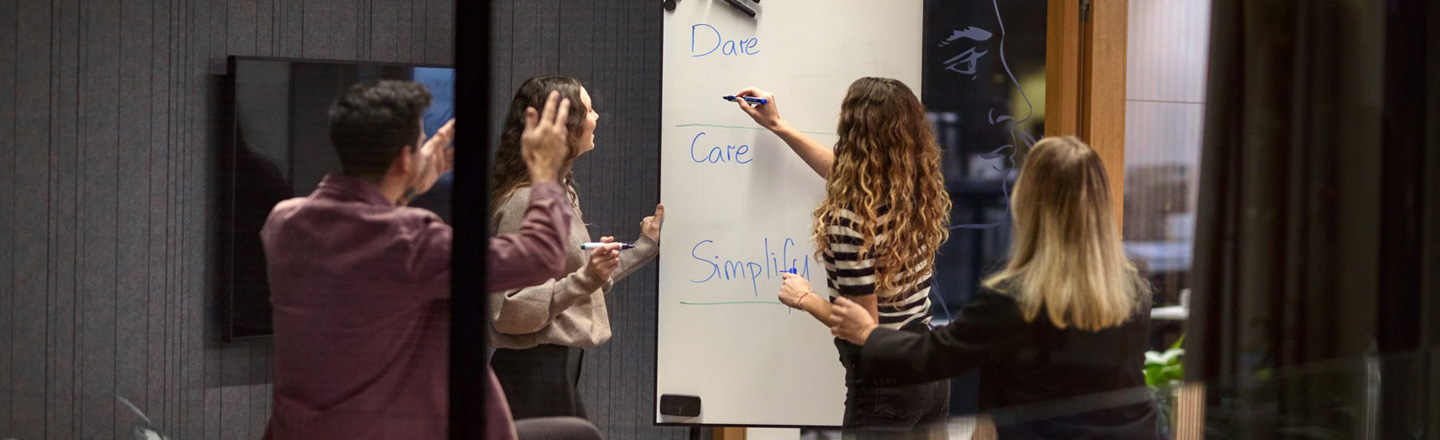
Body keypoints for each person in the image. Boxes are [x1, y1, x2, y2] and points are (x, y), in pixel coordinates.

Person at [261, 80, 608, 439]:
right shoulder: (413, 241)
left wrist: (406, 185)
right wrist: (545, 174)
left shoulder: (284, 223)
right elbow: (539, 256)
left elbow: (365, 234)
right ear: (404, 158)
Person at [827, 136, 1159, 439]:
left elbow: (936, 355)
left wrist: (869, 335)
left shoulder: (1014, 298)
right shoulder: (1133, 287)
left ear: (1028, 202)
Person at [731, 78, 953, 436]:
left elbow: (863, 325)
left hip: (887, 385)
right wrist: (778, 125)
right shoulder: (913, 187)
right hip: (927, 373)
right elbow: (842, 171)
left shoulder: (851, 216)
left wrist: (804, 298)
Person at [487, 75, 665, 419]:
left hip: (555, 372)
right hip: (531, 375)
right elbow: (510, 311)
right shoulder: (525, 202)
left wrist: (645, 246)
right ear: (563, 128)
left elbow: (586, 276)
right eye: (588, 110)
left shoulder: (561, 193)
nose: (596, 117)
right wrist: (584, 279)